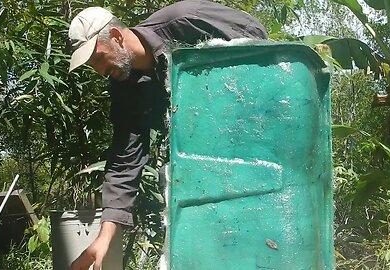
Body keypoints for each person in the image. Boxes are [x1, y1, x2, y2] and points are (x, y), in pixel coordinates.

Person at [68, 1, 267, 269]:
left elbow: (256, 38)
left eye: (99, 59)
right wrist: (105, 237)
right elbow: (125, 159)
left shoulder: (185, 21)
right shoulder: (124, 88)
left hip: (256, 147)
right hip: (201, 178)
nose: (100, 71)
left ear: (116, 37)